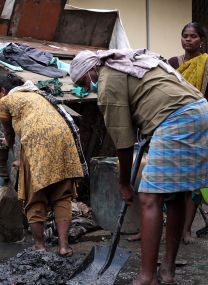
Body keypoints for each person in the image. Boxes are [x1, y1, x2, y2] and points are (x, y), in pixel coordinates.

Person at [70, 49, 208, 285]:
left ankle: (146, 277)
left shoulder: (107, 82)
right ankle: (167, 271)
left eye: (84, 81)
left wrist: (124, 182)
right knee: (176, 195)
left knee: (148, 198)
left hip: (176, 119)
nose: (86, 88)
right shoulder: (126, 65)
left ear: (92, 70)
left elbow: (123, 143)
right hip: (200, 111)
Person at [0, 75, 85, 256]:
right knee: (62, 196)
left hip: (38, 144)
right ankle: (64, 246)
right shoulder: (38, 95)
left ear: (2, 91)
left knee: (34, 197)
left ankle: (39, 246)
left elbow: (9, 135)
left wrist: (7, 143)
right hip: (64, 140)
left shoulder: (7, 100)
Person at [168, 22, 208, 244]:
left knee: (194, 180)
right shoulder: (172, 64)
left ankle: (186, 230)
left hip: (199, 125)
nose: (188, 40)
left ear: (201, 39)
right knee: (172, 179)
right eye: (185, 36)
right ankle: (171, 230)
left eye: (193, 36)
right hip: (173, 125)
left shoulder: (207, 64)